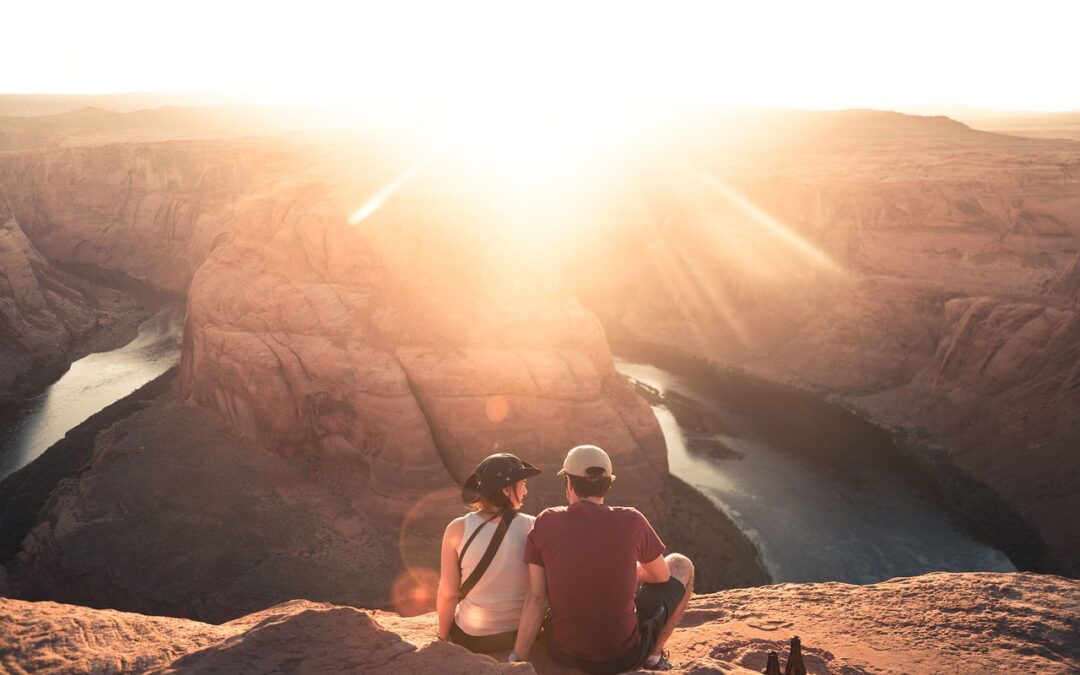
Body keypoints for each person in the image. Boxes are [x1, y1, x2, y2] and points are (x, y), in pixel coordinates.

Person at [510, 444, 694, 672]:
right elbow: (661, 576)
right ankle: (654, 658)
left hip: (565, 655)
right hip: (624, 658)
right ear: (607, 484)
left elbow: (537, 597)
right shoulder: (633, 520)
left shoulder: (546, 521)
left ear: (569, 483)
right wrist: (628, 571)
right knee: (681, 564)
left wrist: (516, 659)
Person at [436, 452, 541, 653]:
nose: (526, 491)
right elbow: (538, 594)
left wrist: (442, 638)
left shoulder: (457, 528)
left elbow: (449, 594)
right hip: (518, 634)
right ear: (506, 490)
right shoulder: (534, 526)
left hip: (472, 638)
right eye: (523, 485)